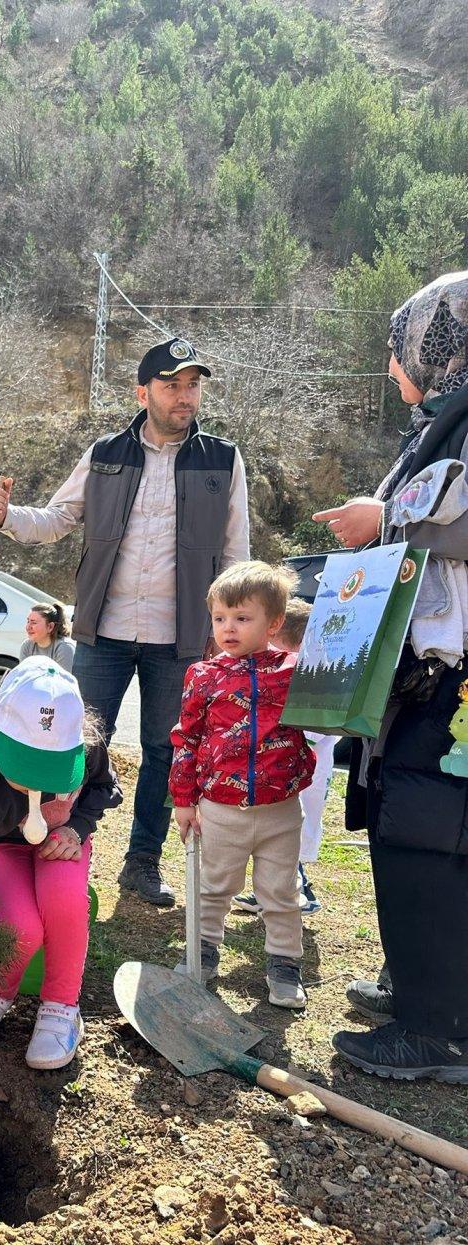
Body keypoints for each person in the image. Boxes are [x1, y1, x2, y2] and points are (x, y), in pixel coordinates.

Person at [0, 337, 249, 908]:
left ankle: (142, 863)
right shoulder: (105, 453)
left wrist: (229, 631)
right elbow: (56, 518)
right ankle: (57, 838)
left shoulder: (222, 459)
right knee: (73, 738)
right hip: (102, 629)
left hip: (181, 639)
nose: (185, 396)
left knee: (163, 749)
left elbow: (234, 552)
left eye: (193, 385)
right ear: (143, 391)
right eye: (172, 384)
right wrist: (8, 518)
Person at [313, 271, 468, 1081]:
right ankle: (424, 986)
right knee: (414, 825)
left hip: (454, 677)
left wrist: (388, 520)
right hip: (429, 670)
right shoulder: (442, 419)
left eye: (397, 346)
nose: (390, 366)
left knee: (423, 831)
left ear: (437, 342)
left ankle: (434, 1028)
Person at [0, 657, 121, 1070]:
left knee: (63, 899)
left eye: (52, 771)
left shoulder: (89, 750)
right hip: (7, 850)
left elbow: (102, 787)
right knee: (20, 924)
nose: (40, 786)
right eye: (28, 771)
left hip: (64, 840)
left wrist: (76, 827)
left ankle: (61, 1006)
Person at [169, 562, 315, 1010]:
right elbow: (187, 739)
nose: (228, 628)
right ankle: (203, 951)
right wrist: (184, 800)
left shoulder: (296, 671)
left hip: (280, 810)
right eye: (219, 618)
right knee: (214, 886)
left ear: (273, 623)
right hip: (220, 808)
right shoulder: (203, 676)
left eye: (242, 618)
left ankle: (285, 965)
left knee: (280, 892)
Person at [232, 597, 336, 916]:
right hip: (281, 770)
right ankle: (279, 889)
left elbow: (311, 732)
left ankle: (296, 891)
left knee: (288, 832)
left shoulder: (312, 676)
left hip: (302, 772)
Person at [19, 602, 75, 671]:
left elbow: (61, 680)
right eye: (28, 621)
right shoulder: (27, 645)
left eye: (34, 623)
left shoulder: (64, 648)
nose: (28, 627)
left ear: (50, 627)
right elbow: (23, 677)